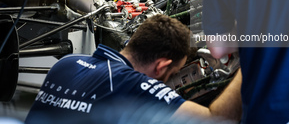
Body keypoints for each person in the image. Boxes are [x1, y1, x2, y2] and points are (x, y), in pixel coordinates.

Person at [25, 14, 242, 123]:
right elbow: (215, 120)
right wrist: (251, 63)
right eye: (173, 73)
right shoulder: (135, 86)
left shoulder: (66, 63)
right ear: (161, 66)